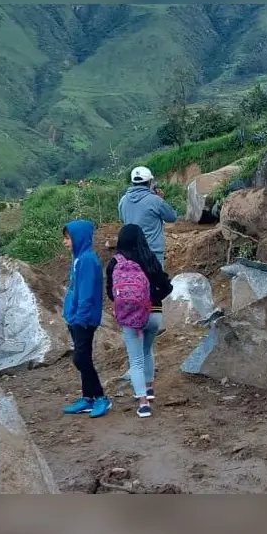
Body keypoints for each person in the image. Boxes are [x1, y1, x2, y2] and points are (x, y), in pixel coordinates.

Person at [106, 224, 173, 418]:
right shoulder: (149, 258)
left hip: (130, 318)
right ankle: (149, 388)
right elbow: (167, 287)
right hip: (154, 314)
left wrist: (129, 304)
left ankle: (143, 404)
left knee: (135, 360)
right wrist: (150, 300)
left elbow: (111, 292)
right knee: (147, 350)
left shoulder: (114, 262)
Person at [61, 220, 111, 418]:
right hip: (76, 317)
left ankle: (100, 397)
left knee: (80, 359)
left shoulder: (87, 260)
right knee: (84, 357)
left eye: (68, 238)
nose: (65, 242)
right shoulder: (79, 258)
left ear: (79, 238)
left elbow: (87, 294)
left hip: (84, 319)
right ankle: (87, 398)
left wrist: (79, 318)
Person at [118, 166, 177, 270]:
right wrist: (161, 200)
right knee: (155, 280)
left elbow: (123, 219)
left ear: (132, 182)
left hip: (132, 252)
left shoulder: (123, 200)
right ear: (149, 182)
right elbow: (172, 217)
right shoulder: (155, 200)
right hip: (153, 252)